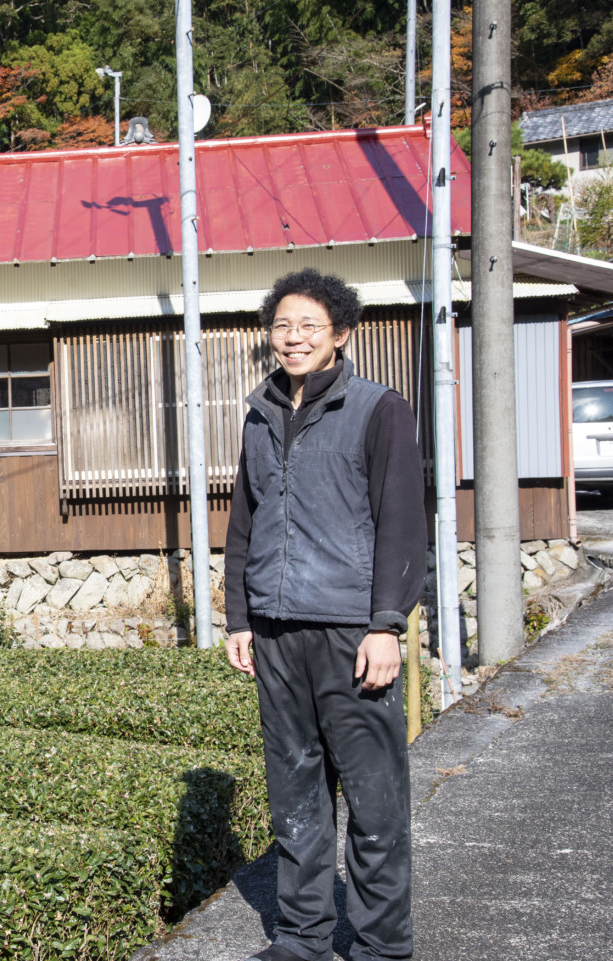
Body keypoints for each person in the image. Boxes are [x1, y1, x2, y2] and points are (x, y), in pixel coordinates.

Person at [223, 269, 426, 961]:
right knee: (297, 796)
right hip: (277, 633)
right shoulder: (259, 413)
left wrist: (385, 623)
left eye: (308, 325)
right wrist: (239, 617)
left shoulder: (379, 409)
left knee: (373, 801)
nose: (293, 337)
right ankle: (303, 937)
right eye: (282, 325)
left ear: (340, 332)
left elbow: (402, 523)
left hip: (351, 630)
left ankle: (380, 945)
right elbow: (244, 521)